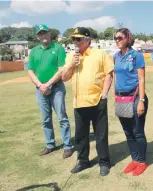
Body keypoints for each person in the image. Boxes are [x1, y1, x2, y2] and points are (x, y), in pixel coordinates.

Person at [62, 27, 114, 176]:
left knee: (101, 134)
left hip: (97, 101)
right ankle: (83, 161)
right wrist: (72, 64)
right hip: (79, 102)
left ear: (87, 39)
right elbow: (64, 77)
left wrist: (104, 94)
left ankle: (104, 162)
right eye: (74, 39)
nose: (75, 42)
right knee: (81, 135)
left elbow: (109, 75)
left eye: (78, 39)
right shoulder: (71, 56)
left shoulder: (100, 54)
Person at [28, 24, 74, 158]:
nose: (44, 35)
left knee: (62, 117)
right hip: (40, 88)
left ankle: (67, 145)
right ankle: (50, 144)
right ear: (38, 36)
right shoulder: (34, 51)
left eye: (45, 33)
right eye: (41, 33)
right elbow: (30, 71)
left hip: (56, 87)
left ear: (49, 34)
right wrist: (40, 85)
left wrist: (47, 84)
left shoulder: (58, 48)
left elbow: (61, 70)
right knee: (45, 119)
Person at [113, 28, 149, 176]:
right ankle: (134, 159)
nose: (117, 40)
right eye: (115, 38)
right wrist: (115, 95)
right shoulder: (115, 56)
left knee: (138, 132)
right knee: (128, 132)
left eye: (120, 37)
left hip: (135, 98)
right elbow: (116, 77)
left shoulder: (136, 55)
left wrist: (141, 101)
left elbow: (141, 78)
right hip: (121, 98)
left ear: (128, 38)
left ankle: (141, 162)